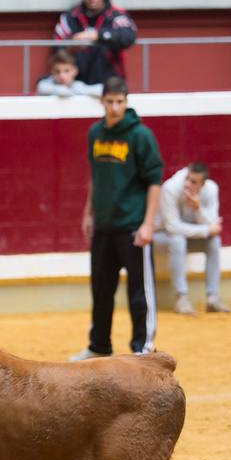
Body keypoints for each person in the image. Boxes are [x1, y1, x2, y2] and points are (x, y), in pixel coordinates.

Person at [73, 78, 163, 361]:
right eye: (110, 102)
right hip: (104, 225)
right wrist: (89, 211)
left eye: (120, 102)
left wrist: (148, 223)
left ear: (126, 102)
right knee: (101, 288)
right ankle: (99, 345)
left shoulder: (141, 136)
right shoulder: (95, 134)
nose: (115, 107)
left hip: (133, 226)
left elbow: (154, 182)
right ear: (102, 101)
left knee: (139, 292)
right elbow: (95, 176)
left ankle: (143, 349)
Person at [157, 161, 229, 317]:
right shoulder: (170, 188)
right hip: (160, 236)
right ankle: (181, 298)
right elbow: (172, 228)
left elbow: (212, 226)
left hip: (187, 236)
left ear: (203, 185)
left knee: (214, 242)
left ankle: (212, 298)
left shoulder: (211, 189)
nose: (188, 184)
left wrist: (197, 209)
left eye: (194, 182)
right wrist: (206, 230)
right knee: (177, 240)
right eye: (188, 179)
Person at [54, 0, 137, 86]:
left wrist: (98, 36)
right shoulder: (71, 16)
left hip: (109, 84)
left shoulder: (116, 14)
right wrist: (72, 46)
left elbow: (129, 37)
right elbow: (56, 46)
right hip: (76, 85)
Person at [35, 48, 101, 97]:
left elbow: (100, 90)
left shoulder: (78, 85)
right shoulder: (44, 85)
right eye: (57, 71)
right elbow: (62, 91)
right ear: (52, 72)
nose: (61, 75)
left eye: (66, 71)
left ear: (75, 71)